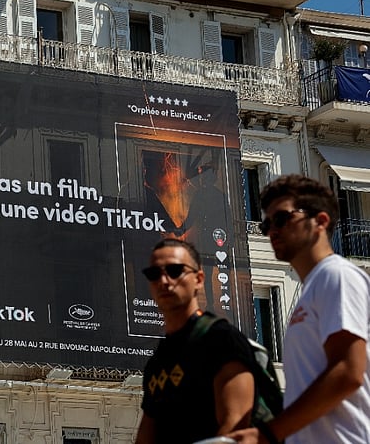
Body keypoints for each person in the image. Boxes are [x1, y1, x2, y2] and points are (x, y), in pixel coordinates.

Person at [229, 175, 370, 444]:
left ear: (321, 221)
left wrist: (269, 433)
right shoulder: (311, 290)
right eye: (267, 224)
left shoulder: (336, 275)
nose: (272, 231)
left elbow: (348, 372)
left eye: (282, 219)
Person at [136, 238, 255, 444]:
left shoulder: (221, 339)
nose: (164, 281)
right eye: (154, 274)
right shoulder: (157, 362)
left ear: (199, 279)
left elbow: (234, 430)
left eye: (174, 271)